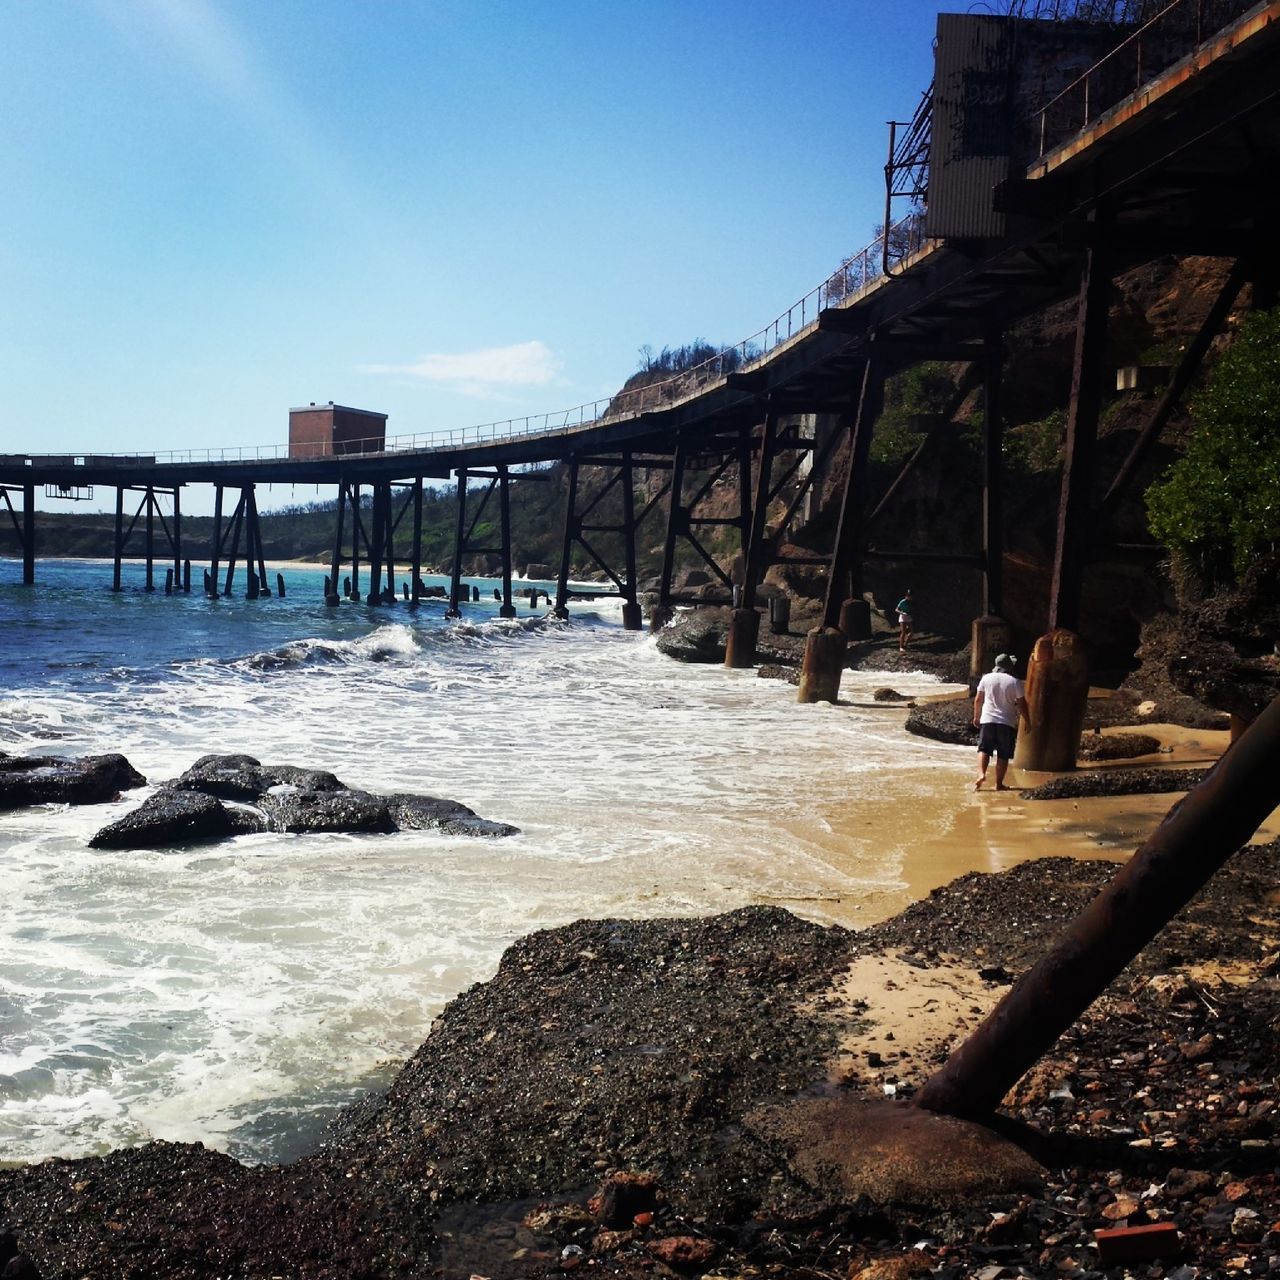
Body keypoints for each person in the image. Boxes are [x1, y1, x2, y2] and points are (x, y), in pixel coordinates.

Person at [972, 653, 1031, 791]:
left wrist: (976, 717)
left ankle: (981, 774)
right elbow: (1022, 704)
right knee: (1003, 754)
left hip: (987, 720)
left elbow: (978, 699)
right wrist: (1028, 721)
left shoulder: (986, 678)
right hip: (1006, 722)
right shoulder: (1015, 682)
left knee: (983, 750)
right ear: (1010, 666)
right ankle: (998, 784)